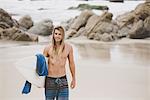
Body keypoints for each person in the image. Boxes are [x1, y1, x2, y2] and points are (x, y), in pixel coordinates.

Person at [43, 26, 76, 100]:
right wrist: (38, 80)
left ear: (63, 35)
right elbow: (42, 66)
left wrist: (74, 78)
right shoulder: (47, 48)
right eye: (56, 34)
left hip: (63, 80)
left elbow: (71, 63)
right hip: (50, 80)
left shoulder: (68, 48)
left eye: (59, 34)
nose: (57, 36)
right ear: (53, 34)